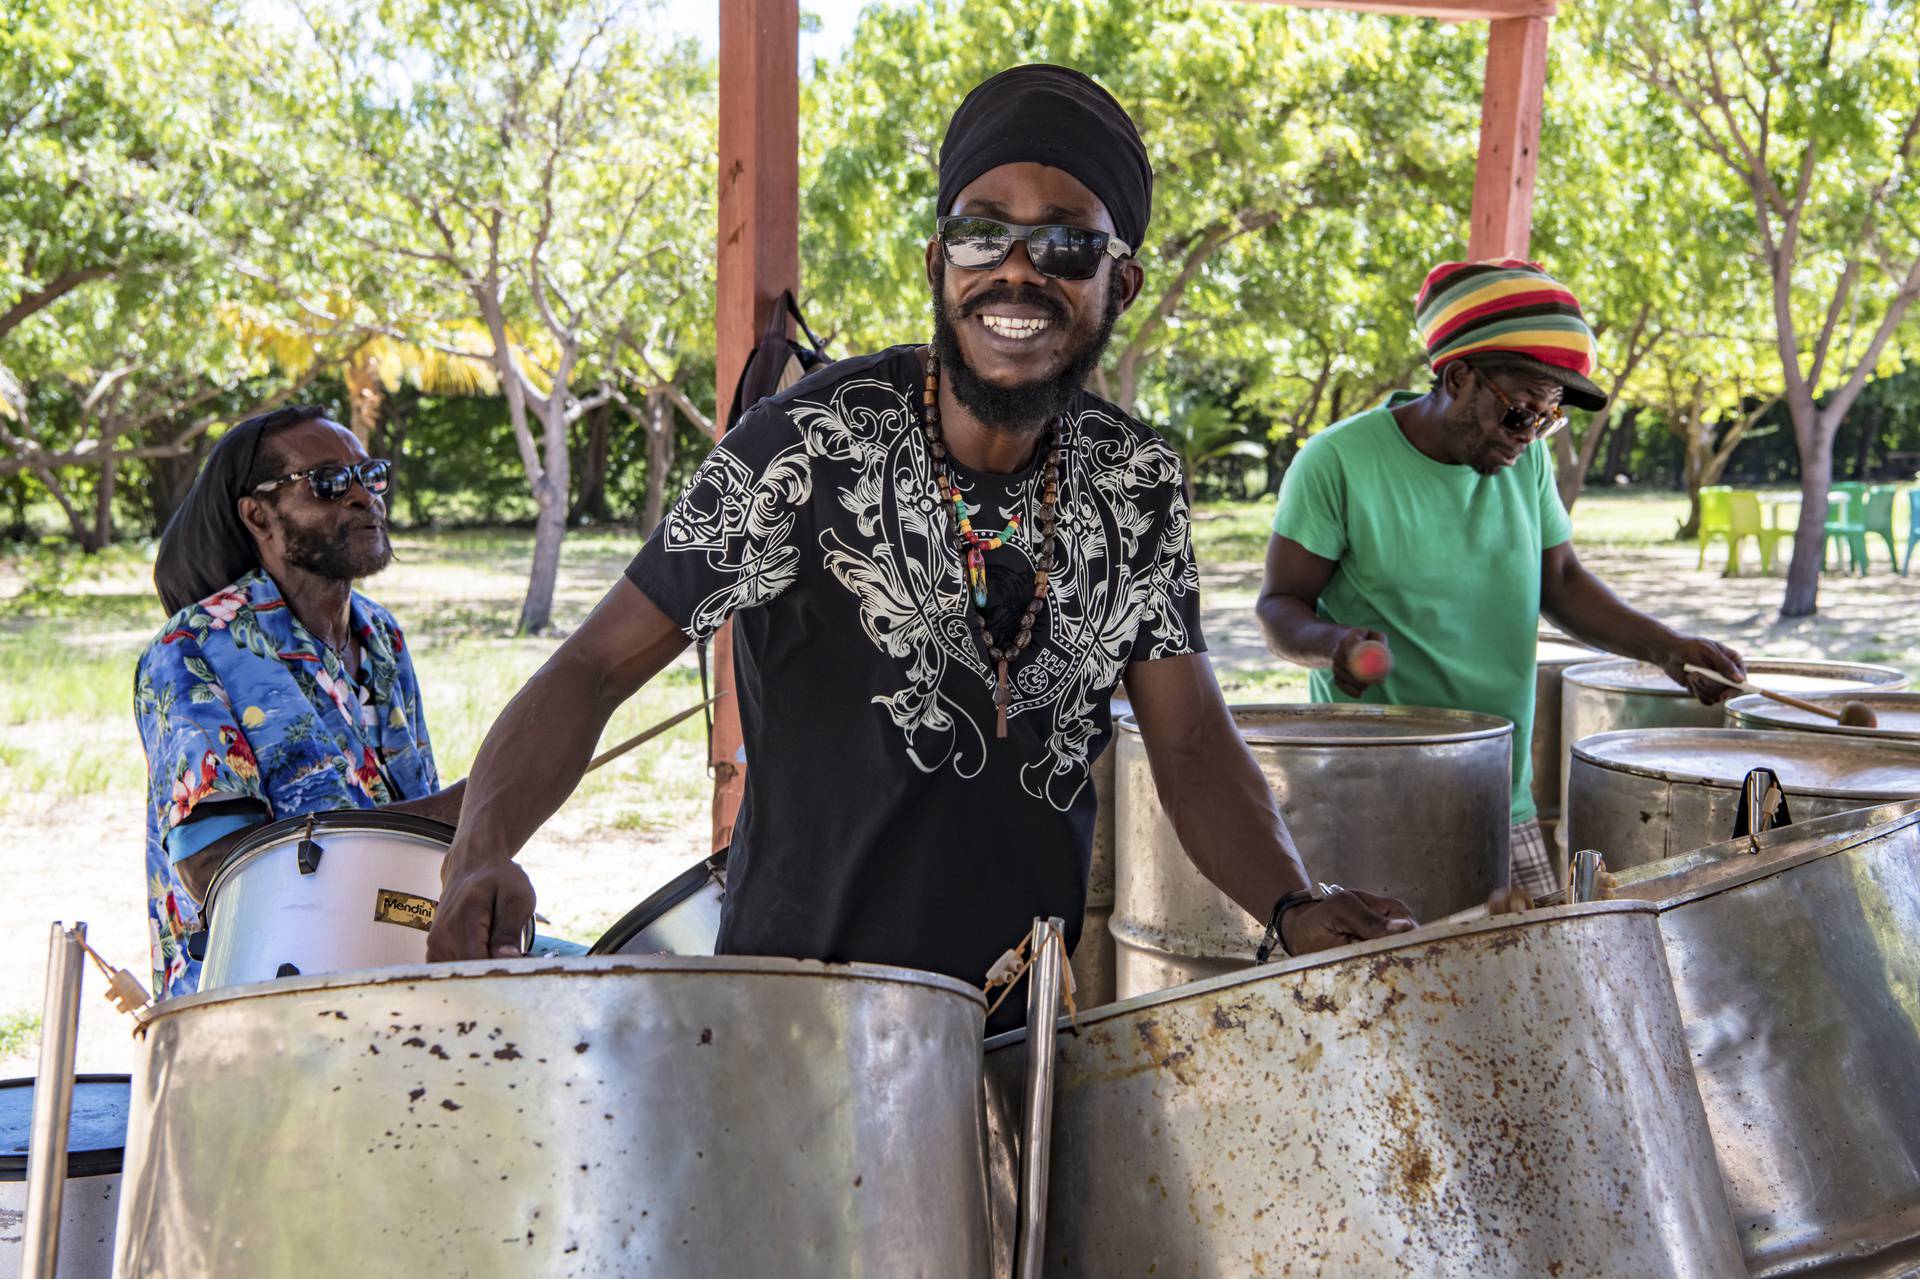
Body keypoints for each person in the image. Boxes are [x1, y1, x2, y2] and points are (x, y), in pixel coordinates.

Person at [427, 64, 1415, 1025]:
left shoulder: (1135, 482)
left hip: (1014, 1027)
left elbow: (1192, 737)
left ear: (1123, 280)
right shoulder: (805, 446)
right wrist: (479, 848)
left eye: (1066, 243)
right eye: (983, 233)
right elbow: (596, 665)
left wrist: (1291, 903)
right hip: (795, 1022)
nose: (1018, 270)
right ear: (939, 263)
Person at [1257, 260, 1746, 899]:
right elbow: (1279, 605)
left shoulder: (1526, 461)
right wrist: (1333, 644)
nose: (1529, 437)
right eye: (1519, 413)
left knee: (1533, 982)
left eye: (1547, 418)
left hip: (1499, 787)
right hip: (1372, 794)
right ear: (1458, 376)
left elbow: (1562, 581)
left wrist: (1669, 650)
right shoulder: (1338, 460)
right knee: (1397, 988)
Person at [134, 405, 460, 997]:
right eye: (330, 482)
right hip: (255, 992)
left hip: (390, 959)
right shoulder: (194, 648)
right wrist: (469, 807)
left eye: (372, 475)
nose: (364, 497)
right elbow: (215, 867)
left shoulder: (380, 635)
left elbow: (416, 852)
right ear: (259, 515)